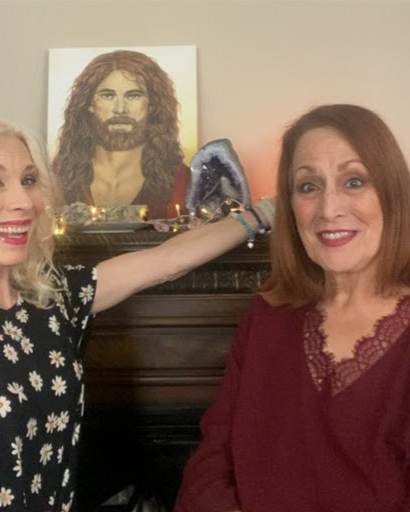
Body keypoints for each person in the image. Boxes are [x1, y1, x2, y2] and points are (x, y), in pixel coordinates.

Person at [0, 108, 273, 511]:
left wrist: (263, 214)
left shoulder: (51, 298)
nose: (24, 201)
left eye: (29, 180)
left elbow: (167, 260)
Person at [174, 103, 410, 512]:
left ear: (393, 193)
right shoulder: (267, 317)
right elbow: (212, 458)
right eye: (308, 186)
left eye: (354, 181)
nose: (329, 209)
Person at [51, 49, 190, 219]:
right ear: (89, 104)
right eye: (108, 96)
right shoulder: (57, 178)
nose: (120, 109)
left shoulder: (181, 181)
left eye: (133, 96)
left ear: (152, 106)